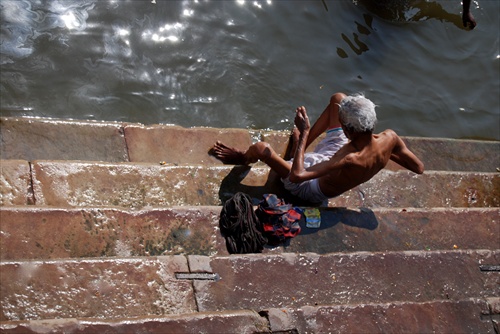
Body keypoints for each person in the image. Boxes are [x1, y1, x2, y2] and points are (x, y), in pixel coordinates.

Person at [210, 92, 424, 203]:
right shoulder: (390, 138)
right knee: (338, 99)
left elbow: (297, 176)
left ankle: (243, 158)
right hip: (343, 152)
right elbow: (419, 168)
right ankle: (296, 152)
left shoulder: (349, 158)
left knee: (261, 148)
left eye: (342, 122)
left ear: (349, 130)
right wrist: (385, 154)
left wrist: (304, 133)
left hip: (309, 187)